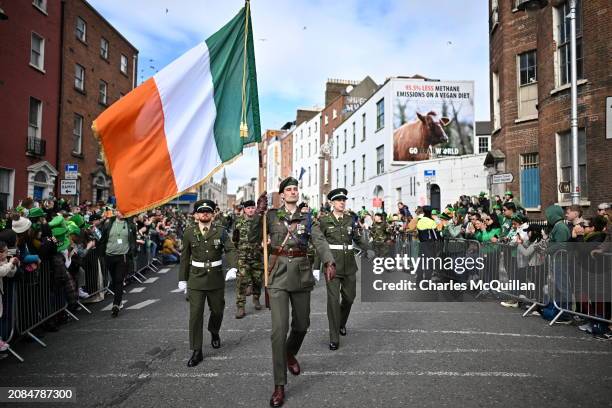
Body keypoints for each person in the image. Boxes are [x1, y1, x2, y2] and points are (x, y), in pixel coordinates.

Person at [251, 177, 335, 407]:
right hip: (277, 276)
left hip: (301, 274)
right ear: (281, 194)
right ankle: (279, 385)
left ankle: (289, 353)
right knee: (279, 330)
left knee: (302, 325)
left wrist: (329, 261)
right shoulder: (270, 216)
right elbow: (251, 237)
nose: (292, 192)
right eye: (288, 189)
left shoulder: (308, 217)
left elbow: (319, 240)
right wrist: (257, 214)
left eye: (295, 189)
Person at [178, 200, 237, 368]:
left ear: (213, 214)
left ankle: (214, 330)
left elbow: (230, 249)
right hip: (196, 279)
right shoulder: (189, 233)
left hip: (216, 278)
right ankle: (197, 350)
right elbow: (184, 257)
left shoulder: (221, 232)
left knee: (217, 310)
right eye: (201, 211)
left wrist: (233, 267)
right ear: (196, 215)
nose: (205, 214)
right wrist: (183, 279)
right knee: (195, 315)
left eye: (208, 211)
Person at [318, 188, 369, 351]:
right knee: (333, 302)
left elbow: (357, 237)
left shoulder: (350, 220)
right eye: (339, 200)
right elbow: (319, 243)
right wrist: (318, 265)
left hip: (349, 265)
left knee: (349, 298)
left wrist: (368, 248)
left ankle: (341, 322)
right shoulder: (324, 221)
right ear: (332, 203)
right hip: (332, 265)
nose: (342, 202)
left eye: (343, 200)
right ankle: (334, 337)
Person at [99, 209, 137, 317]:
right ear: (115, 212)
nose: (121, 213)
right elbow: (102, 238)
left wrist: (133, 252)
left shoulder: (130, 225)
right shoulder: (108, 224)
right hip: (110, 256)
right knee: (115, 280)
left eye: (123, 211)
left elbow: (133, 240)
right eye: (119, 211)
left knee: (119, 280)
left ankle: (116, 305)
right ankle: (119, 300)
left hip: (123, 257)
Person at [233, 200, 264, 318]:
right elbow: (235, 240)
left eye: (253, 208)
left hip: (257, 256)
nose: (251, 210)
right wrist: (239, 251)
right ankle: (240, 307)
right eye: (248, 208)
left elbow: (265, 236)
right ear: (244, 210)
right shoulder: (238, 223)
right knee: (241, 280)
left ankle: (256, 298)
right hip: (243, 256)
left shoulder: (260, 222)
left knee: (258, 280)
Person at [0, 241, 19, 351]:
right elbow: (2, 272)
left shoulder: (3, 261)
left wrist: (12, 264)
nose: (7, 254)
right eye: (5, 252)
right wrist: (10, 263)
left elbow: (10, 274)